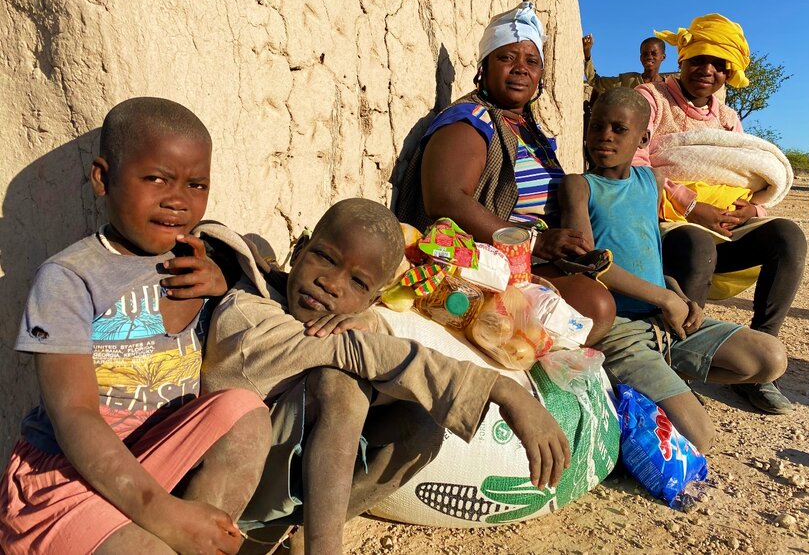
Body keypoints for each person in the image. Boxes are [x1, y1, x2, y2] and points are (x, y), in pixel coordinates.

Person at [200, 198, 570, 554]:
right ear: (299, 251)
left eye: (358, 284)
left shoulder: (352, 321)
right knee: (342, 384)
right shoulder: (248, 314)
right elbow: (363, 352)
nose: (332, 283)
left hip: (279, 486)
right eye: (325, 258)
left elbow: (382, 354)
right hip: (223, 491)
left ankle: (304, 535)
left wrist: (365, 322)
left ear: (372, 299)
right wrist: (500, 387)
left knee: (420, 420)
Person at [0, 98, 272, 555]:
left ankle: (187, 539)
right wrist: (165, 514)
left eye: (196, 184)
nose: (178, 199)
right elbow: (75, 416)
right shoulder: (69, 278)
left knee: (244, 413)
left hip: (153, 462)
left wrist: (225, 286)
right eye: (157, 179)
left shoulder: (197, 265)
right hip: (66, 483)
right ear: (103, 178)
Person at [559, 88, 788, 451]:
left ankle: (667, 373)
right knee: (698, 437)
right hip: (619, 329)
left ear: (643, 139)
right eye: (597, 126)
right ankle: (619, 381)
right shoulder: (580, 186)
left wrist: (677, 292)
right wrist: (665, 297)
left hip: (665, 320)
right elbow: (590, 262)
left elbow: (648, 251)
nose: (605, 135)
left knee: (769, 359)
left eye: (620, 129)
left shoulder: (648, 182)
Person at [396, 2, 616, 343]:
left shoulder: (530, 130)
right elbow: (445, 198)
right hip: (485, 264)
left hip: (529, 260)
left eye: (531, 61)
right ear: (483, 67)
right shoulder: (471, 120)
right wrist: (534, 241)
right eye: (506, 57)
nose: (520, 69)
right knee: (595, 305)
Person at [632, 13, 807, 414]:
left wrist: (753, 208)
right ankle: (674, 367)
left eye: (718, 64)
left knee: (788, 237)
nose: (706, 71)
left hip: (721, 229)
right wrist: (692, 207)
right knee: (695, 242)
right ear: (683, 59)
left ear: (730, 71)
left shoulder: (728, 118)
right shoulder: (651, 99)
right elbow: (637, 163)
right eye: (698, 60)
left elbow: (742, 168)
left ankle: (761, 364)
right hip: (662, 228)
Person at [582, 34, 667, 98]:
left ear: (663, 57)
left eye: (654, 53)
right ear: (640, 58)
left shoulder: (669, 87)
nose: (649, 57)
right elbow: (595, 81)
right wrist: (587, 54)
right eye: (645, 54)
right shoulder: (628, 80)